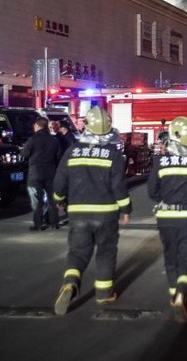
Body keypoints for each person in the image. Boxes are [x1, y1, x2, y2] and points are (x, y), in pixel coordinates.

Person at [52, 106, 130, 316]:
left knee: (78, 252)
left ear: (86, 125)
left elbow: (59, 181)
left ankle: (70, 283)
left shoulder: (72, 151)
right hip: (106, 213)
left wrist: (58, 200)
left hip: (78, 213)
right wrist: (125, 209)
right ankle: (104, 293)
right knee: (105, 251)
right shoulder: (112, 154)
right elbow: (119, 186)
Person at [148, 116, 187, 322]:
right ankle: (182, 292)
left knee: (171, 257)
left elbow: (153, 192)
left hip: (165, 218)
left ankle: (174, 296)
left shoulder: (160, 161)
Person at [21, 117, 62, 231]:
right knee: (52, 199)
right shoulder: (54, 140)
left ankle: (38, 224)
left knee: (37, 200)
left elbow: (24, 154)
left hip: (36, 173)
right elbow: (58, 157)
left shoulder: (33, 139)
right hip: (50, 173)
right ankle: (54, 223)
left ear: (38, 126)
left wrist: (22, 150)